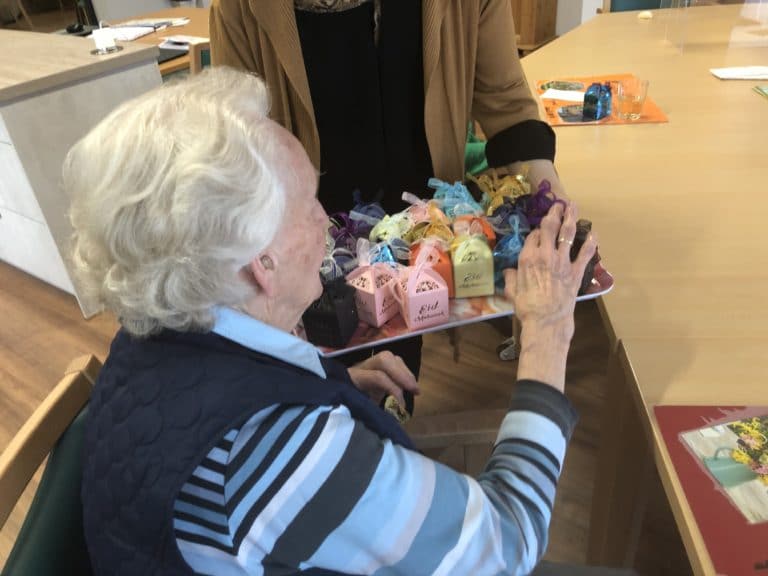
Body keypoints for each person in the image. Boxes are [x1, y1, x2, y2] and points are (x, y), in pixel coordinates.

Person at [71, 69, 604, 575]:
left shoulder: (148, 338)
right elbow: (506, 546)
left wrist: (327, 385)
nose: (325, 221)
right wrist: (547, 333)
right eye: (308, 203)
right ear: (262, 263)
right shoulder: (277, 450)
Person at [208, 0, 567, 380]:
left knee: (395, 380)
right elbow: (239, 157)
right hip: (304, 265)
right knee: (321, 386)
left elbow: (507, 107)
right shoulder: (240, 9)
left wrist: (552, 202)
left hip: (419, 241)